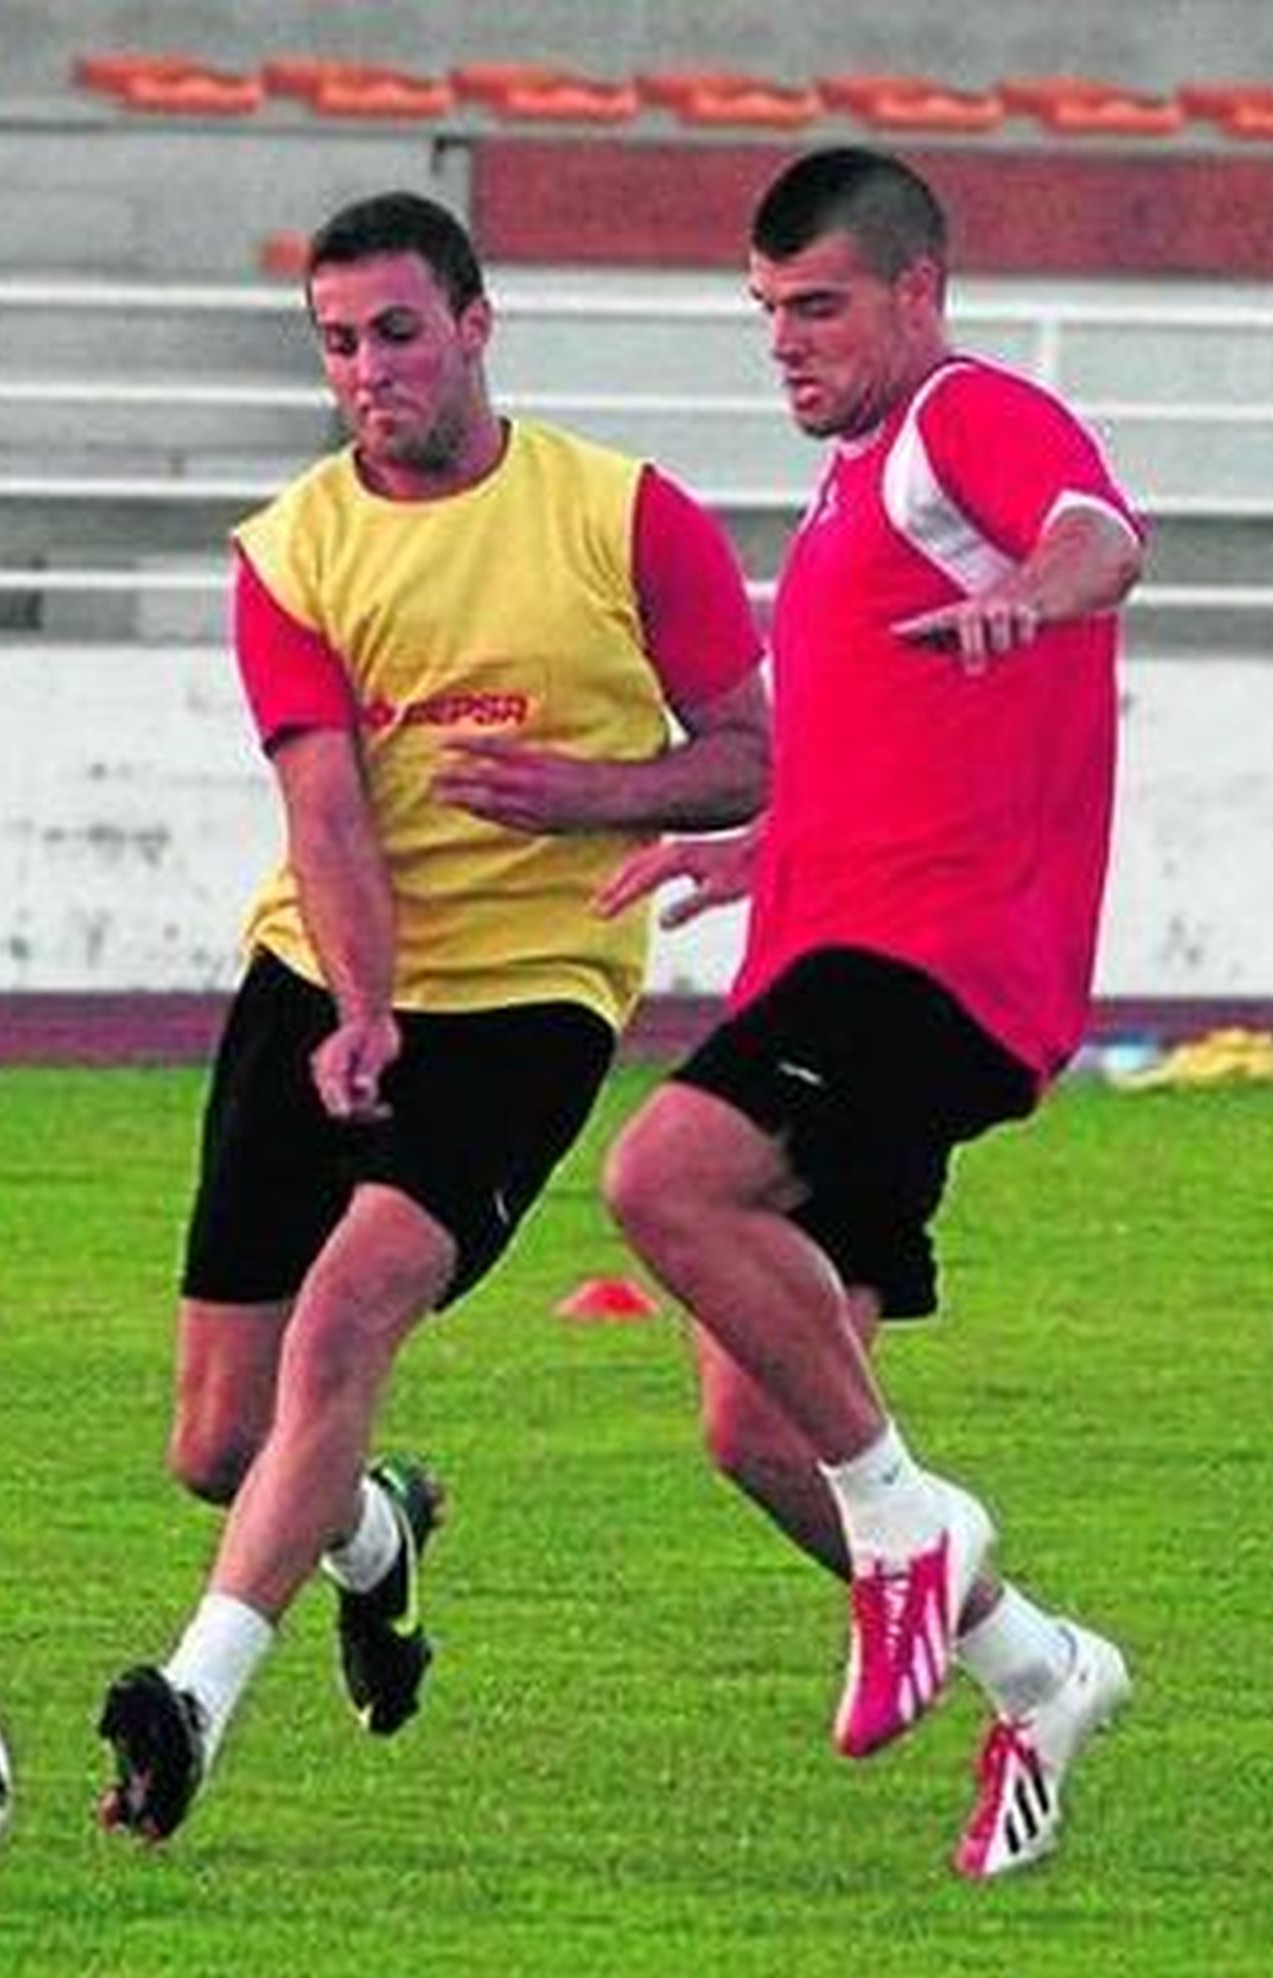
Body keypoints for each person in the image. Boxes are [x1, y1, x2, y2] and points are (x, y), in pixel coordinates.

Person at [95, 191, 768, 1842]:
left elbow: (753, 755)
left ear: (476, 324)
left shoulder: (624, 518)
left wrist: (590, 792)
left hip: (535, 994)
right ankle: (375, 1538)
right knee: (218, 1441)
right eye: (336, 342)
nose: (367, 370)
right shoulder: (294, 550)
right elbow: (325, 807)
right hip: (322, 981)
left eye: (397, 331)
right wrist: (362, 1002)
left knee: (350, 1311)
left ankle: (189, 1699)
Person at [600, 147, 1145, 1881]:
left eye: (818, 304)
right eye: (766, 312)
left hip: (936, 969)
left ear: (918, 293)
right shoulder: (851, 492)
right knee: (758, 1430)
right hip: (848, 947)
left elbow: (1098, 536)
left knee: (663, 1183)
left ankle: (914, 1526)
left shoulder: (966, 418)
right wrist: (762, 845)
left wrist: (1027, 597)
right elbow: (886, 750)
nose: (786, 341)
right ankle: (1040, 1668)